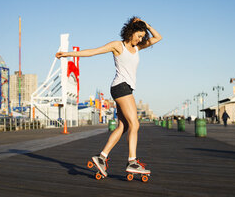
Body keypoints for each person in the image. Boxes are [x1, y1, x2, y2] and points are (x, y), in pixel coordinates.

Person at [56, 17, 162, 178]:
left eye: (142, 37)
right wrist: (68, 54)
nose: (141, 39)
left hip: (124, 89)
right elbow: (93, 52)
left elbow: (158, 37)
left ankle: (101, 157)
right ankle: (132, 161)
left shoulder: (138, 47)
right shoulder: (117, 46)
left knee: (123, 126)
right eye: (139, 35)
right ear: (131, 32)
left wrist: (146, 25)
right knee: (135, 124)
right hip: (121, 87)